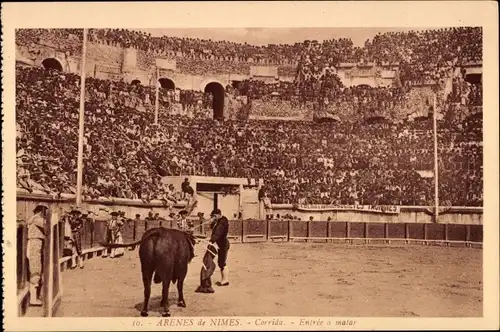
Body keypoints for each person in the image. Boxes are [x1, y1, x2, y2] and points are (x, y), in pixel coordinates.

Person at [26, 204, 49, 306]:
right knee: (36, 269)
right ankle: (33, 299)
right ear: (40, 212)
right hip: (35, 245)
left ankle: (34, 298)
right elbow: (47, 225)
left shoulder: (34, 218)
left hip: (35, 244)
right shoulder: (37, 219)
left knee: (36, 269)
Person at [209, 208, 230, 287]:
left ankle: (225, 280)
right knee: (221, 262)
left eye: (214, 216)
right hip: (221, 243)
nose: (213, 217)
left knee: (222, 262)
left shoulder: (222, 222)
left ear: (218, 214)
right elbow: (213, 229)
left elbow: (218, 233)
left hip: (223, 244)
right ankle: (224, 280)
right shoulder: (220, 221)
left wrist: (211, 240)